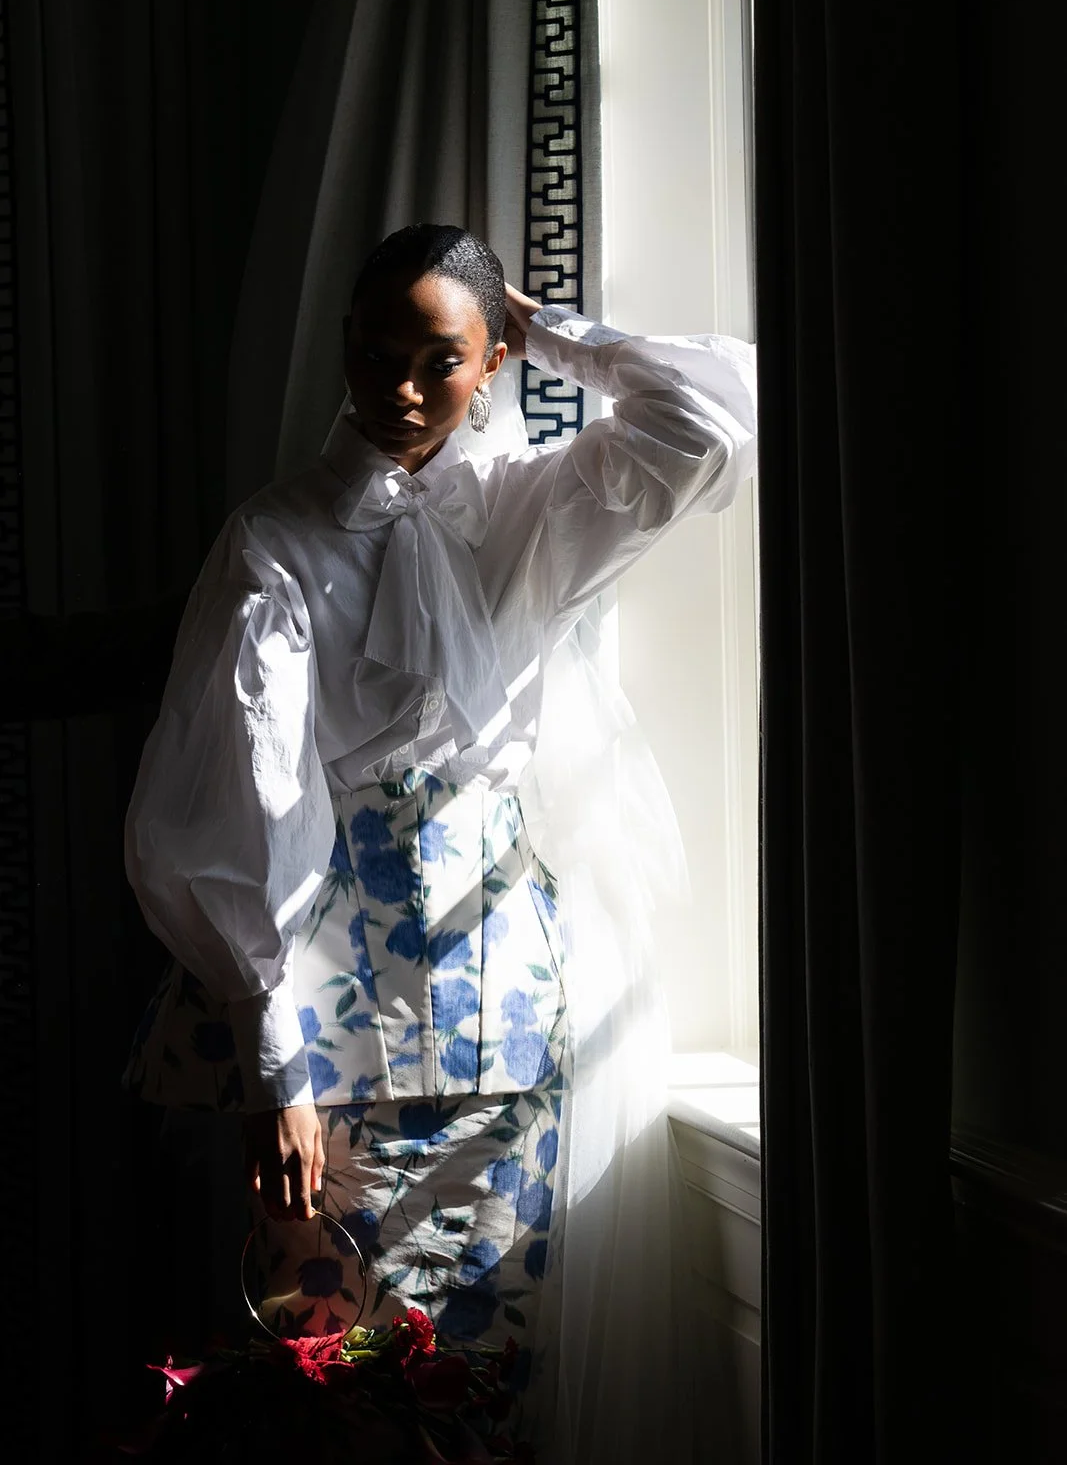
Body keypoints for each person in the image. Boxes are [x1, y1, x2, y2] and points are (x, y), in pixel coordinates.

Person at [123, 222, 757, 1454]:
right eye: (372, 353)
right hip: (320, 1042)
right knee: (333, 1387)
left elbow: (710, 423)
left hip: (509, 1015)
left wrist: (556, 328)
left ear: (493, 361)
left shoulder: (528, 506)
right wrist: (273, 1077)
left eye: (439, 359)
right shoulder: (276, 543)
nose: (399, 389)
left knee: (479, 1387)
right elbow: (245, 812)